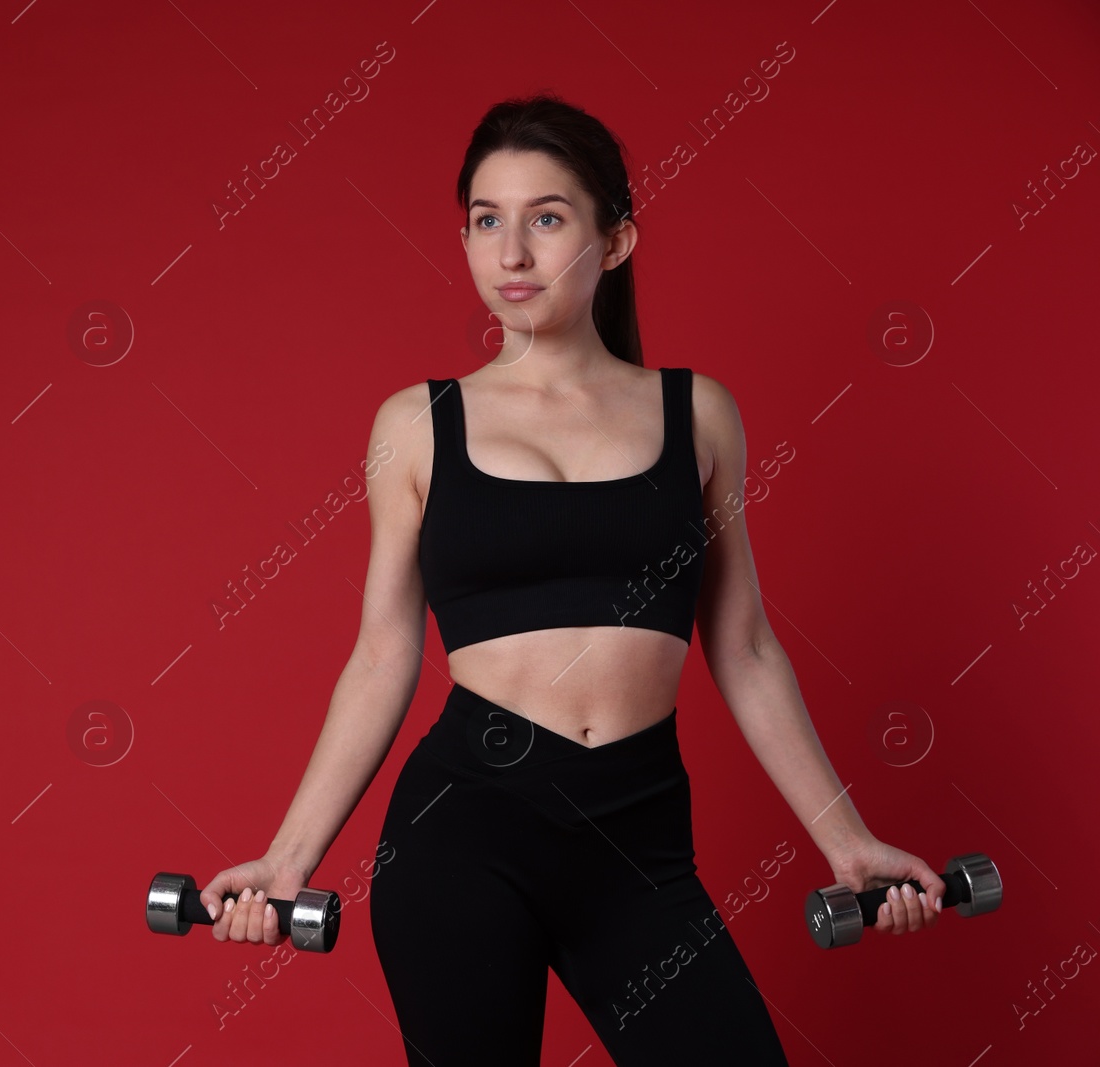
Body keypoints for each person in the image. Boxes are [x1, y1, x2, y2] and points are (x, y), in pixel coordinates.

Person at [197, 94, 945, 1065]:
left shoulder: (697, 414)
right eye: (484, 220)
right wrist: (288, 858)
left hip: (637, 840)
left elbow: (744, 643)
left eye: (545, 218)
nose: (509, 254)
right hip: (463, 832)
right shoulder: (415, 426)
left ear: (617, 239)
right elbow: (383, 653)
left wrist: (846, 839)